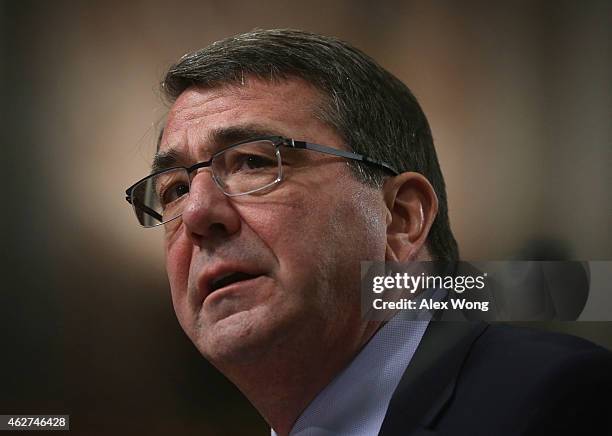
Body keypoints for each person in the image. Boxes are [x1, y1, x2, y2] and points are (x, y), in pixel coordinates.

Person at [125, 29, 612, 435]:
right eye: (174, 189)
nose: (197, 214)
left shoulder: (555, 401)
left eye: (253, 162)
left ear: (401, 217)